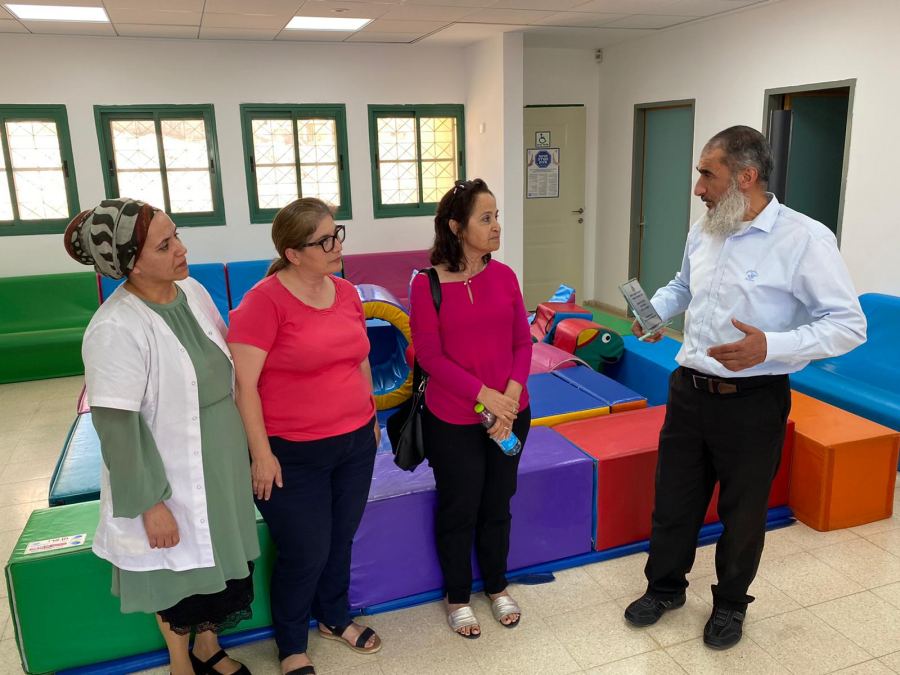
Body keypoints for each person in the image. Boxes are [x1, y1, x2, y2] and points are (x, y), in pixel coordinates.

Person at [623, 126, 867, 649]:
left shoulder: (805, 239)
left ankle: (731, 604)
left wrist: (770, 346)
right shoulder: (706, 228)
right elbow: (683, 285)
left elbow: (848, 326)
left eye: (707, 175)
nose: (698, 189)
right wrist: (655, 312)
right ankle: (664, 589)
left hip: (753, 401)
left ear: (746, 177)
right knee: (674, 501)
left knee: (743, 513)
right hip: (689, 391)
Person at [65, 199, 259, 675]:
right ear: (131, 263)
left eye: (177, 236)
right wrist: (151, 503)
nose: (181, 249)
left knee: (219, 557)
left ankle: (208, 647)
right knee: (175, 573)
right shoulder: (114, 328)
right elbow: (117, 429)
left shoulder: (192, 291)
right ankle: (180, 663)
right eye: (165, 244)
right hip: (166, 470)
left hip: (221, 456)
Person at [228, 198, 381, 675]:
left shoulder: (347, 292)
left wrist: (372, 416)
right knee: (305, 551)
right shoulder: (263, 302)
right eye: (324, 241)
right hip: (292, 452)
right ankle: (292, 644)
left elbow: (360, 357)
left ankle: (335, 617)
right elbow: (244, 386)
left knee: (341, 539)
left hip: (355, 442)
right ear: (293, 254)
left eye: (338, 234)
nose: (337, 246)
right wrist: (261, 454)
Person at [409, 178, 533, 639]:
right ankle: (458, 596)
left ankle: (497, 585)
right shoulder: (426, 285)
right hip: (454, 419)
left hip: (511, 414)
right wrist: (487, 396)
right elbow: (430, 356)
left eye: (496, 216)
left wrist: (509, 399)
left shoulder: (505, 277)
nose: (496, 226)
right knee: (459, 507)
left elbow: (523, 342)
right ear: (456, 226)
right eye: (486, 218)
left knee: (498, 503)